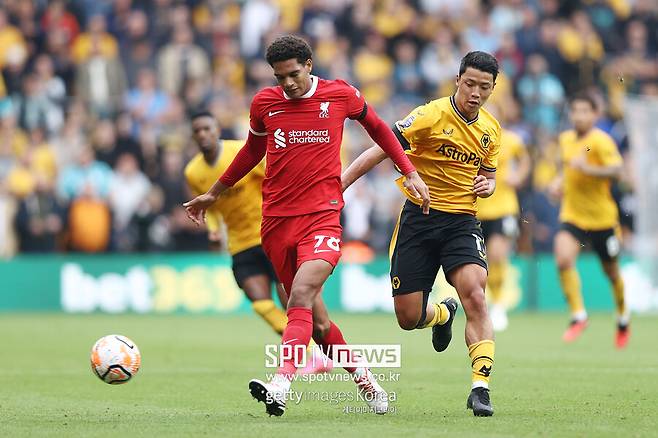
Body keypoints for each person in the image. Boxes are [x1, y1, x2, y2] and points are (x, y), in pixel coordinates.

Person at [183, 35, 429, 417]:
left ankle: (281, 383)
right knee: (316, 320)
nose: (288, 84)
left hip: (323, 216)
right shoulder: (265, 103)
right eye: (280, 77)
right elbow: (252, 150)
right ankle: (366, 378)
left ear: (309, 65)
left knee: (298, 297)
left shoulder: (340, 95)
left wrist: (408, 170)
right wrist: (215, 193)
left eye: (294, 74)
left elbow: (380, 129)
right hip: (276, 223)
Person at [342, 51, 501, 416]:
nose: (475, 92)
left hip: (462, 221)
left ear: (493, 88)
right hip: (420, 219)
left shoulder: (491, 130)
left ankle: (481, 388)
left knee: (475, 293)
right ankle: (442, 316)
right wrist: (341, 185)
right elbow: (383, 148)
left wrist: (487, 185)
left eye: (484, 87)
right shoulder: (430, 115)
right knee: (408, 317)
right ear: (458, 80)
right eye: (470, 83)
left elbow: (490, 177)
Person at [184, 111, 328, 374]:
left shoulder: (241, 153)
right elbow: (210, 206)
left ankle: (319, 343)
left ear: (218, 129)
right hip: (239, 243)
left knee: (291, 301)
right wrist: (214, 229)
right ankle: (310, 354)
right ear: (192, 136)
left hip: (271, 234)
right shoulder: (193, 172)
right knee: (259, 301)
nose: (203, 134)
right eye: (197, 130)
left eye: (207, 128)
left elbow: (277, 177)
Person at [548, 92, 629, 348]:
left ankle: (623, 316)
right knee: (562, 258)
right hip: (573, 214)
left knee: (612, 272)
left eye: (585, 111)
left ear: (595, 115)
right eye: (576, 111)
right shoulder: (565, 140)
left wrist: (589, 169)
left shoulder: (602, 141)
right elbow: (567, 169)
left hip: (603, 219)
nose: (580, 116)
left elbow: (618, 172)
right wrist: (558, 182)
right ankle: (579, 315)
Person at [476, 105, 531, 332]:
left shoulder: (512, 140)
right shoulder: (471, 138)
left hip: (504, 207)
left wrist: (518, 176)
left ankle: (498, 305)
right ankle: (484, 304)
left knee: (498, 255)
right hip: (475, 208)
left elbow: (525, 161)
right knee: (479, 262)